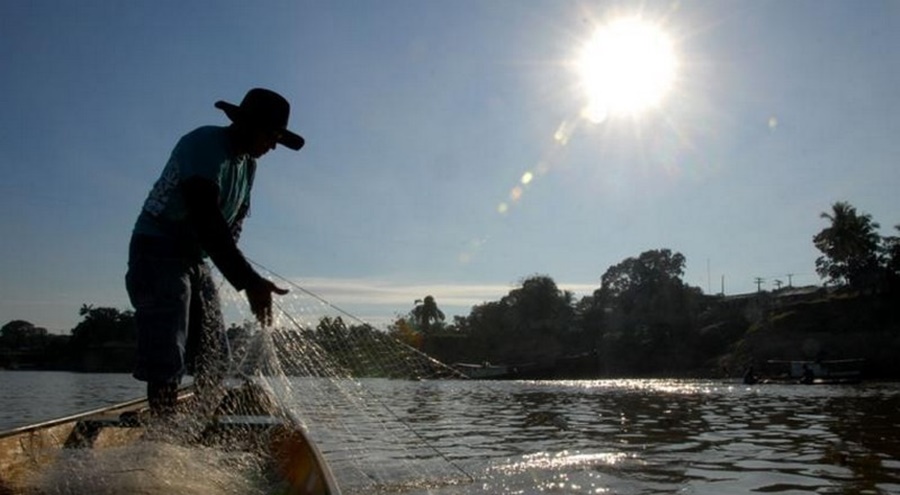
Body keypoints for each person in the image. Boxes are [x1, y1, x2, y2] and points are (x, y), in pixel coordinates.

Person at [126, 88, 303, 415]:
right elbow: (206, 218)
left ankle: (202, 421)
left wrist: (243, 275)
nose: (273, 145)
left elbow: (232, 225)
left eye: (278, 138)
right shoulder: (205, 145)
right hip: (157, 249)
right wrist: (249, 280)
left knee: (215, 355)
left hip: (195, 259)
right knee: (168, 349)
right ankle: (163, 431)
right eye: (271, 135)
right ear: (247, 124)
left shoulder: (248, 165)